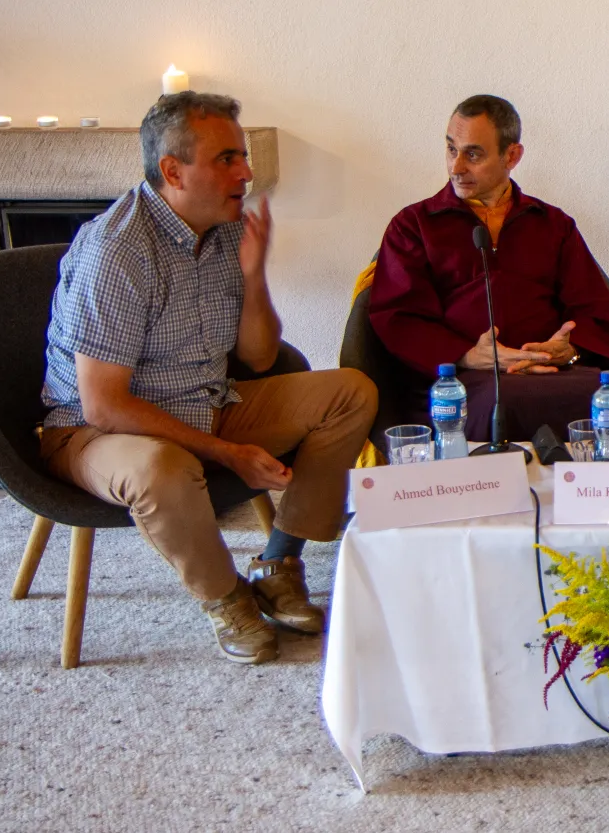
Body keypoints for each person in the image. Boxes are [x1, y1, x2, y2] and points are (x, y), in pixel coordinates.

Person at [40, 92, 378, 665]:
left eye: (243, 157)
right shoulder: (117, 250)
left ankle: (277, 561)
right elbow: (102, 404)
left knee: (351, 391)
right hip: (96, 433)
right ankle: (227, 598)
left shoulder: (224, 229)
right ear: (173, 170)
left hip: (204, 403)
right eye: (227, 159)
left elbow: (262, 356)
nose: (246, 172)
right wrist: (227, 453)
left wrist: (253, 273)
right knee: (159, 468)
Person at [368, 94, 609, 443]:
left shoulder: (552, 224)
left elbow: (594, 310)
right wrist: (469, 355)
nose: (456, 167)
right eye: (450, 149)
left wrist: (569, 349)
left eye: (473, 154)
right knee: (503, 400)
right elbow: (398, 317)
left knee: (603, 400)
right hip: (460, 382)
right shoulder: (414, 225)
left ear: (512, 156)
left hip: (549, 372)